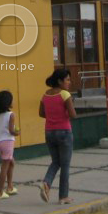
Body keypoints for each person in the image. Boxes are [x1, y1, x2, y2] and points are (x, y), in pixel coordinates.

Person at [38, 69, 76, 204]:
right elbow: (73, 115)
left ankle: (46, 183)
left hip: (49, 132)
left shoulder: (45, 95)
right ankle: (63, 196)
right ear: (60, 81)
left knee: (56, 162)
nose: (69, 83)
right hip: (64, 132)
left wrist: (53, 116)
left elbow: (41, 113)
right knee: (65, 165)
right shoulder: (65, 94)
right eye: (67, 80)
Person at [0, 90, 20, 200]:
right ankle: (0, 191)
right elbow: (11, 130)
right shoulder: (11, 114)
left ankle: (10, 187)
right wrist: (17, 132)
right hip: (8, 142)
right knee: (5, 167)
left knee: (11, 163)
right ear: (8, 102)